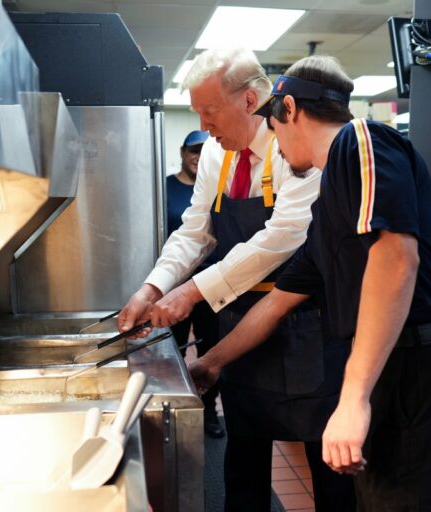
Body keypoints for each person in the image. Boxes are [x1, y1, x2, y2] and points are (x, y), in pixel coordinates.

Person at [190, 55, 431, 511]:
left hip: (415, 368)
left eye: (273, 124)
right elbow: (278, 303)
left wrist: (353, 398)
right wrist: (210, 364)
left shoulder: (359, 139)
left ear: (288, 109)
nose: (275, 145)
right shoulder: (327, 212)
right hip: (390, 371)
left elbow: (396, 258)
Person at [119, 49, 355, 511]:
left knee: (322, 456)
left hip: (306, 320)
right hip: (240, 320)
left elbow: (280, 238)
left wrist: (192, 292)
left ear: (250, 101)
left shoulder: (298, 148)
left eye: (209, 111)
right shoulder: (214, 152)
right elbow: (195, 230)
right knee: (244, 450)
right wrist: (154, 287)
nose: (204, 126)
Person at [166, 129, 224, 438]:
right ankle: (174, 407)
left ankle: (209, 411)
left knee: (210, 346)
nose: (198, 156)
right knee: (171, 349)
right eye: (193, 150)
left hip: (212, 284)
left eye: (204, 151)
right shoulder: (166, 187)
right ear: (183, 152)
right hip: (176, 285)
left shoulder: (216, 188)